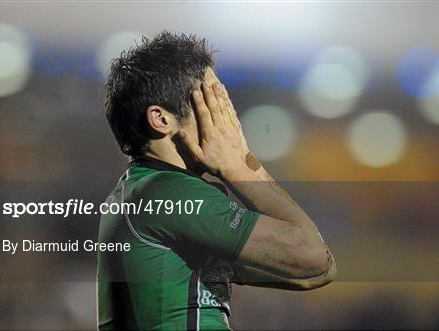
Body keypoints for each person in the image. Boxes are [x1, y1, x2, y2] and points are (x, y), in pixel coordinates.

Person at [97, 31, 336, 330]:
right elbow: (311, 256)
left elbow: (316, 271)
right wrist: (240, 166)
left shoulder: (138, 193)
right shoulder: (168, 193)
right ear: (161, 119)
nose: (227, 119)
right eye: (210, 101)